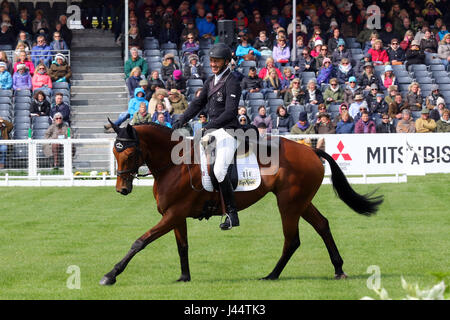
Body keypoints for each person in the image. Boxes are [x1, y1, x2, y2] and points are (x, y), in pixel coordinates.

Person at [171, 43, 242, 230]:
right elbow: (197, 104)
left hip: (228, 131)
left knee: (219, 170)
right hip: (212, 131)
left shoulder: (232, 81)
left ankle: (232, 214)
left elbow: (230, 112)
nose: (213, 64)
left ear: (226, 62)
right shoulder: (210, 81)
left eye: (217, 61)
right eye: (211, 60)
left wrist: (209, 126)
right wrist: (182, 119)